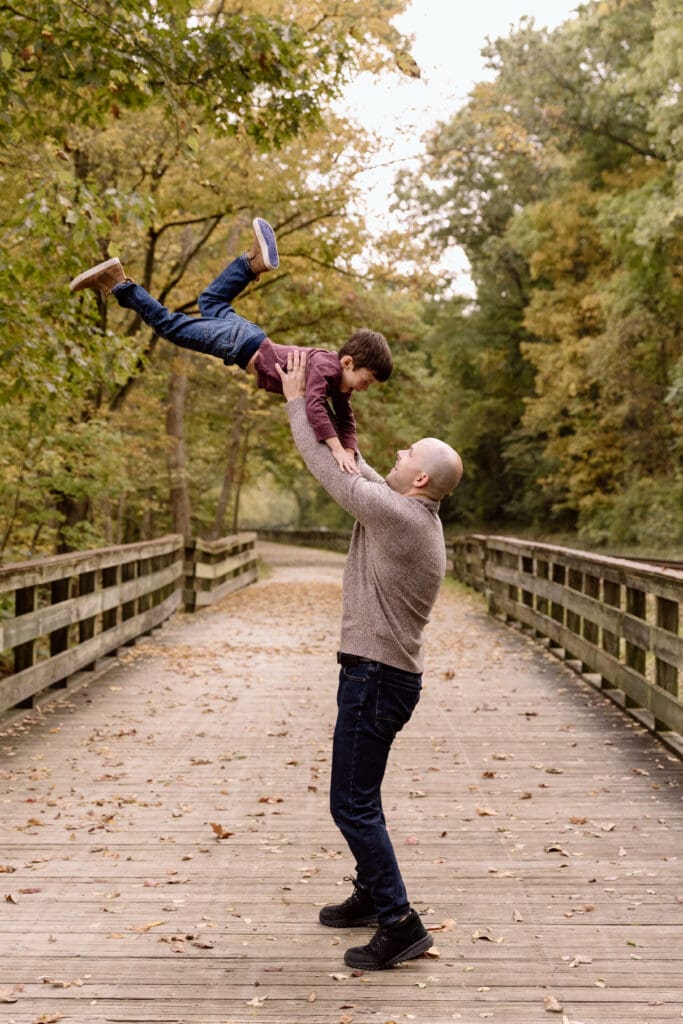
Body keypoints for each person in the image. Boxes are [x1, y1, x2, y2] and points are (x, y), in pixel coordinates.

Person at [275, 349, 463, 971]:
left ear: (418, 481)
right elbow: (352, 466)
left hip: (375, 678)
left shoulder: (399, 518)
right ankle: (371, 894)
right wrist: (331, 402)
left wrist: (293, 401)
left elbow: (331, 475)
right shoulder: (410, 513)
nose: (400, 450)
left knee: (350, 803)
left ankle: (400, 921)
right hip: (384, 676)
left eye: (409, 452)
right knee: (363, 796)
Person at [69, 219, 392, 474]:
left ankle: (252, 263)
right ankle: (119, 284)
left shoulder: (340, 382)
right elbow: (316, 409)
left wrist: (350, 448)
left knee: (210, 300)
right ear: (348, 362)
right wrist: (336, 449)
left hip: (250, 337)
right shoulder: (326, 367)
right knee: (169, 326)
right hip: (239, 344)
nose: (362, 389)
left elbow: (346, 417)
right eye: (364, 381)